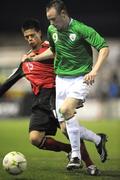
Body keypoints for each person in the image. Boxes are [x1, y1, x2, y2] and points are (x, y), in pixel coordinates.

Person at [0, 18, 104, 176]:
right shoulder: (25, 61)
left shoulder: (52, 48)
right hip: (40, 101)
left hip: (56, 95)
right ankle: (70, 149)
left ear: (40, 33)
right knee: (35, 138)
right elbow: (9, 82)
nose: (30, 39)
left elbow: (65, 56)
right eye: (26, 37)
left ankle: (90, 164)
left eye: (32, 35)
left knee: (67, 130)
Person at [26, 0, 109, 170]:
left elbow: (104, 47)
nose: (51, 23)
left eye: (54, 19)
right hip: (61, 80)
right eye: (48, 20)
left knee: (66, 110)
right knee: (65, 128)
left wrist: (94, 71)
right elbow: (53, 51)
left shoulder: (80, 29)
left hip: (81, 78)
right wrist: (34, 58)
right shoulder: (52, 30)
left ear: (63, 14)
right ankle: (98, 139)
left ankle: (76, 156)